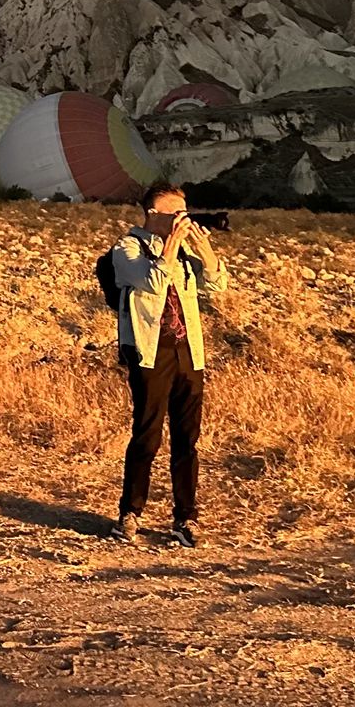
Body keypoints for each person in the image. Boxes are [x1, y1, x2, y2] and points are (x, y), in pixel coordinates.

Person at [102, 184, 227, 547]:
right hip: (151, 352)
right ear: (153, 215)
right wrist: (171, 246)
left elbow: (216, 287)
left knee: (188, 439)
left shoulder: (185, 252)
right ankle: (130, 513)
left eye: (184, 213)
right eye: (175, 215)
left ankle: (186, 517)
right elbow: (153, 282)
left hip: (189, 352)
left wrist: (205, 251)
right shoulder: (127, 249)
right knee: (147, 434)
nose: (181, 221)